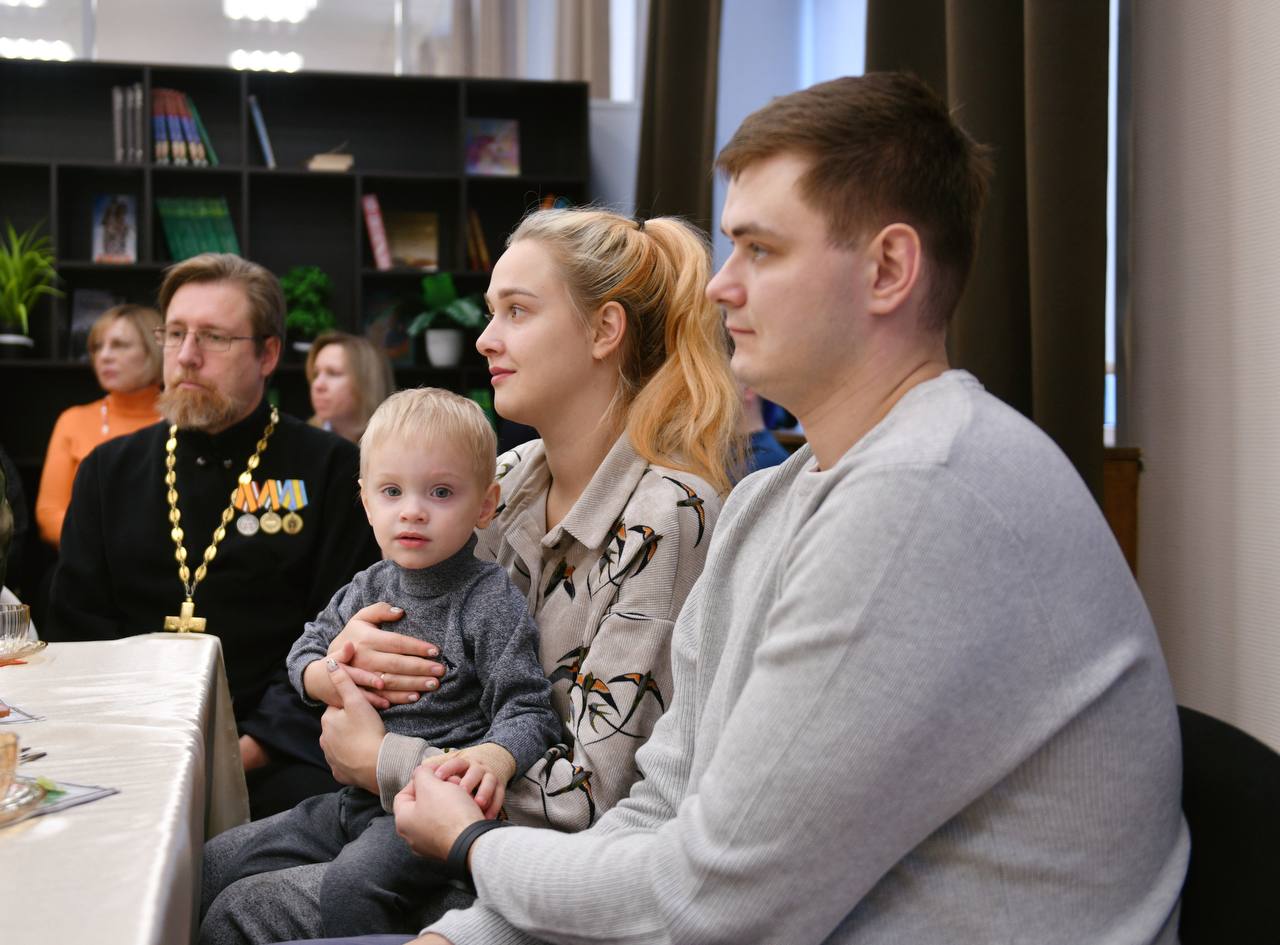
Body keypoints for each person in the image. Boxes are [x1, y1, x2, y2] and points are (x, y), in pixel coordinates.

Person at [344, 72, 1187, 945]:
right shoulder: (769, 501)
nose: (719, 285)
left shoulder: (926, 492)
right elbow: (662, 805)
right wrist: (466, 935)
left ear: (888, 270)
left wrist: (475, 846)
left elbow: (711, 903)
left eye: (761, 250)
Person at [197, 208, 740, 944]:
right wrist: (353, 654)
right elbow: (409, 616)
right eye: (490, 312)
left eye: (516, 311)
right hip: (415, 818)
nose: (485, 338)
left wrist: (382, 759)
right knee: (206, 866)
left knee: (241, 908)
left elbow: (593, 800)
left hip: (530, 869)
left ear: (604, 330)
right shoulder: (506, 478)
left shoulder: (668, 515)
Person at [204, 387, 560, 937]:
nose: (412, 511)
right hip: (355, 798)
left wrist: (494, 757)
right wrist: (331, 677)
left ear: (485, 505)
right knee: (217, 860)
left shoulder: (488, 601)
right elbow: (305, 653)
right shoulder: (368, 586)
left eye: (441, 492)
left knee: (352, 885)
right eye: (392, 491)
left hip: (423, 808)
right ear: (367, 502)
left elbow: (531, 710)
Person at [48, 253, 382, 819]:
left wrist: (245, 750)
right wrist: (133, 744)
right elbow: (78, 628)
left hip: (277, 754)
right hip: (126, 747)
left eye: (213, 337)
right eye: (175, 333)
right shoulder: (107, 471)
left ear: (267, 354)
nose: (186, 355)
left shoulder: (332, 470)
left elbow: (341, 635)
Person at [35, 304, 164, 547]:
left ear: (155, 350)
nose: (104, 356)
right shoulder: (73, 420)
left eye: (119, 345)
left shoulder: (182, 423)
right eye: (97, 347)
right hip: (85, 562)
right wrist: (108, 549)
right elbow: (48, 514)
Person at [306, 331, 396, 443]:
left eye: (333, 373)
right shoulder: (303, 441)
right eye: (315, 374)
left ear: (366, 381)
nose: (317, 385)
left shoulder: (397, 443)